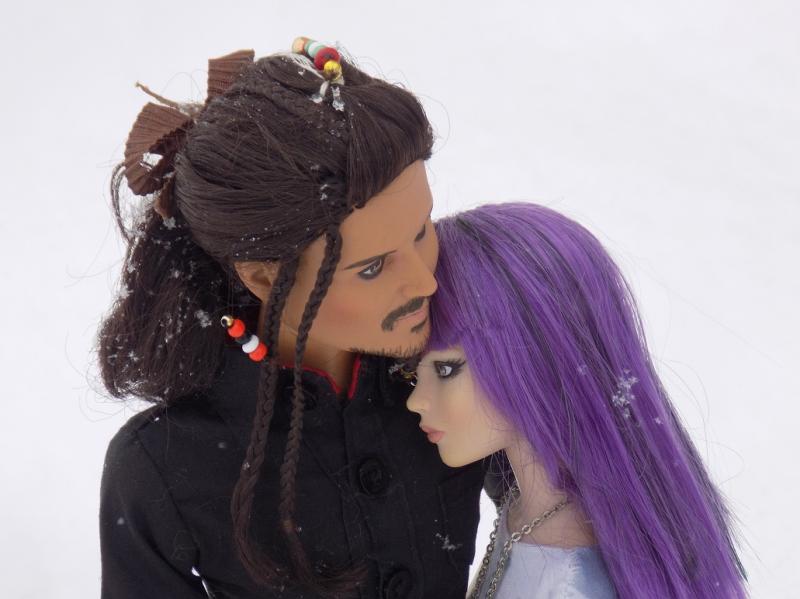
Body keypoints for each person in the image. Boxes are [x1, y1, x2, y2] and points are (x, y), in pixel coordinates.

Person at [98, 41, 494, 598]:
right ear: (263, 277)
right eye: (372, 267)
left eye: (422, 230)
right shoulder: (167, 465)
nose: (424, 282)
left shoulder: (459, 371)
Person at [407, 202, 748, 598]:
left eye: (446, 369)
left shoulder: (570, 581)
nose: (416, 400)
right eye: (412, 370)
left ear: (535, 358)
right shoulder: (531, 511)